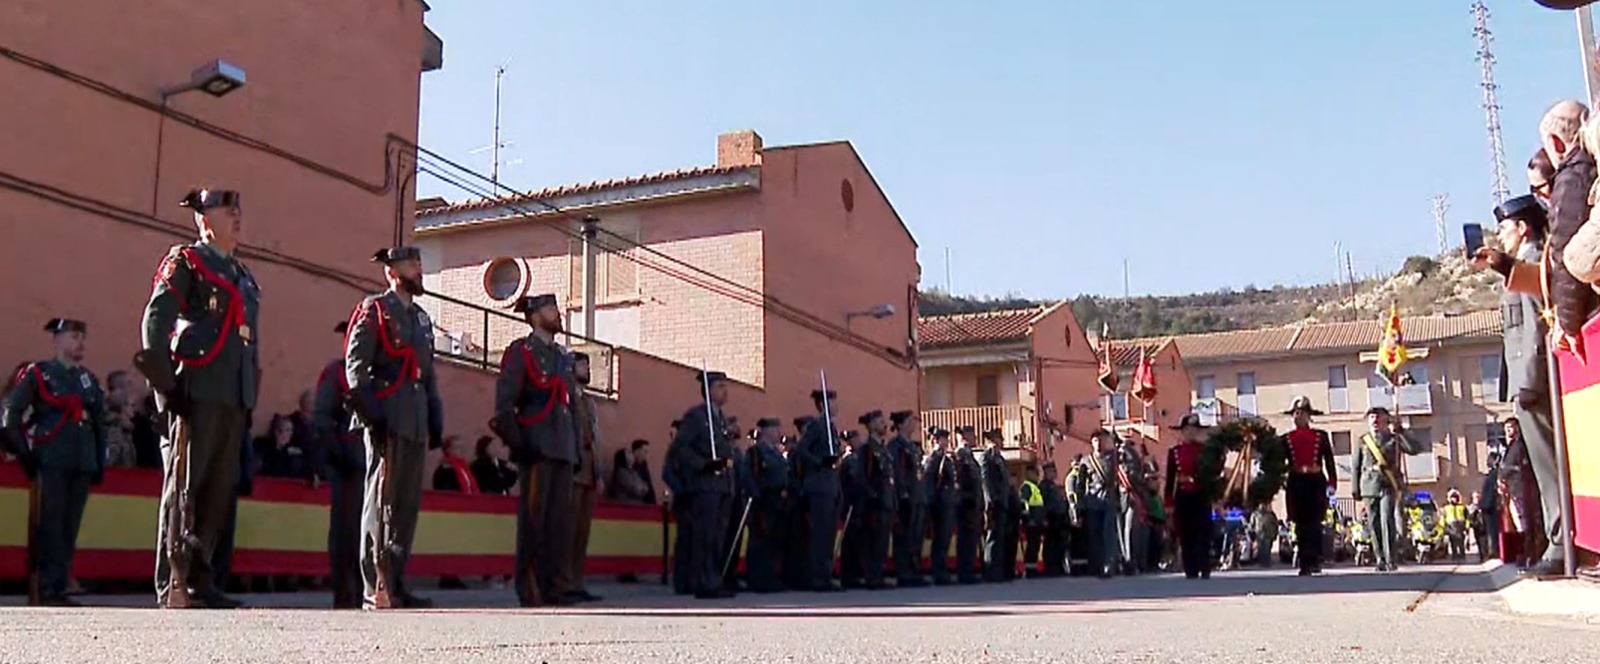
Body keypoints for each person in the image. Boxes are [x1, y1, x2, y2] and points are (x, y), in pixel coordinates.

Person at [139, 188, 258, 610]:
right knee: (185, 485)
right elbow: (157, 319)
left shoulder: (244, 276)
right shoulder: (187, 262)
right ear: (203, 220)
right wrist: (164, 388)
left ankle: (201, 575)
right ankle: (173, 578)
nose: (237, 216)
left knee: (217, 490)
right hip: (195, 388)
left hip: (232, 394)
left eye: (238, 210)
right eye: (228, 211)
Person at [345, 245, 444, 610]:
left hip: (415, 418)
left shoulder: (420, 319)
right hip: (387, 414)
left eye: (419, 263)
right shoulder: (375, 309)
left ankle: (397, 579)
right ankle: (376, 582)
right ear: (391, 272)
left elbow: (429, 373)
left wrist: (435, 414)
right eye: (410, 264)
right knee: (380, 500)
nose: (418, 270)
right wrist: (371, 411)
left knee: (405, 505)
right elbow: (356, 366)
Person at [2, 319, 107, 606]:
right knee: (51, 525)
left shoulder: (87, 379)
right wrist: (25, 453)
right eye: (74, 336)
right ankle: (47, 587)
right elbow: (12, 414)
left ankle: (59, 585)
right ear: (57, 340)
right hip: (52, 457)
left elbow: (100, 423)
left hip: (81, 459)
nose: (80, 343)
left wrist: (99, 461)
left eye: (82, 337)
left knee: (69, 526)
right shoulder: (40, 375)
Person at [491, 293, 578, 607]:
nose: (557, 314)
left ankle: (554, 584)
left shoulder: (561, 356)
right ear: (533, 315)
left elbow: (571, 406)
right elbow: (504, 407)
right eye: (550, 309)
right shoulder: (521, 351)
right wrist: (521, 445)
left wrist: (576, 450)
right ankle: (530, 586)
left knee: (559, 523)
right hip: (537, 445)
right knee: (534, 521)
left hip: (563, 446)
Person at [669, 370, 736, 599]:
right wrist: (702, 464)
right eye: (719, 386)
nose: (724, 390)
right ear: (707, 391)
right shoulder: (696, 417)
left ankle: (714, 578)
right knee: (704, 536)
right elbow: (680, 448)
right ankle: (703, 581)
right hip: (705, 485)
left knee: (718, 536)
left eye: (725, 386)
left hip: (723, 485)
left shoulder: (721, 419)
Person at [312, 320, 362, 608]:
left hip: (370, 461)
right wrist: (338, 453)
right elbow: (322, 419)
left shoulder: (374, 374)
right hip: (347, 462)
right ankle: (345, 591)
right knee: (345, 530)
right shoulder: (336, 374)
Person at [557, 351, 604, 604]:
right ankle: (563, 582)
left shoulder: (588, 401)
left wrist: (599, 471)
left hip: (589, 469)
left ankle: (577, 580)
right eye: (581, 364)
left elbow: (596, 436)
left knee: (582, 532)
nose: (586, 368)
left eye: (587, 364)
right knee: (568, 529)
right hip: (573, 469)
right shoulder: (566, 397)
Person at [1351, 407, 1420, 572]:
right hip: (1368, 486)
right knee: (1374, 524)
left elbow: (1415, 449)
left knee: (1386, 520)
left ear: (1385, 421)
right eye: (1371, 418)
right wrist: (1355, 489)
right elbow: (1356, 466)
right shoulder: (1363, 441)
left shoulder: (1394, 439)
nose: (1374, 421)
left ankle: (1391, 560)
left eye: (1378, 418)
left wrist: (1401, 431)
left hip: (1388, 485)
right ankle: (1380, 558)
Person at [1280, 396, 1336, 576]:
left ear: (1308, 416)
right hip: (1297, 482)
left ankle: (1315, 560)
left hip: (1316, 481)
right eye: (1295, 413)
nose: (1298, 416)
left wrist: (1332, 482)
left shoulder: (1321, 436)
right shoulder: (1285, 439)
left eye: (1301, 413)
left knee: (1315, 523)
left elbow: (1329, 461)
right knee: (1300, 524)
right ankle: (1305, 562)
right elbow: (1277, 462)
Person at [795, 388, 843, 592]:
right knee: (820, 534)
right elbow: (801, 449)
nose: (836, 405)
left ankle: (825, 574)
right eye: (831, 402)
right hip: (818, 485)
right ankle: (817, 577)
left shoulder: (831, 427)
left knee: (829, 533)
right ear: (823, 405)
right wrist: (819, 462)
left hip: (830, 485)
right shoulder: (816, 425)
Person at [738, 418, 789, 593]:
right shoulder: (756, 452)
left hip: (777, 502)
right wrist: (756, 496)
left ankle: (770, 577)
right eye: (775, 429)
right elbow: (749, 476)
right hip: (763, 502)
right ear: (765, 431)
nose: (778, 433)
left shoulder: (776, 453)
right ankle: (758, 579)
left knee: (773, 542)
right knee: (760, 542)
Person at [1164, 414, 1213, 580]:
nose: (1190, 432)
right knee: (1186, 535)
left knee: (1203, 533)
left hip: (1201, 495)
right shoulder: (1174, 452)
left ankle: (1204, 567)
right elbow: (1170, 479)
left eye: (1194, 429)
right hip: (1183, 496)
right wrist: (1169, 503)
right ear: (1182, 431)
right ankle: (1190, 569)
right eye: (1187, 430)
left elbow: (1211, 474)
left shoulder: (1205, 450)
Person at [886, 411, 927, 587]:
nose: (914, 425)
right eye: (910, 421)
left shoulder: (911, 446)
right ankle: (904, 572)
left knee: (916, 536)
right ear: (901, 425)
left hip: (917, 496)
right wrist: (903, 493)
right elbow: (898, 472)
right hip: (906, 497)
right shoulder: (896, 446)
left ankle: (914, 570)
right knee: (904, 536)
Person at [1074, 429, 1121, 579]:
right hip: (1093, 501)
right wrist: (1079, 506)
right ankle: (1097, 565)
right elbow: (1080, 485)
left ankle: (1109, 565)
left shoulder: (1115, 458)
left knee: (1108, 534)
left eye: (1101, 439)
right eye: (1095, 440)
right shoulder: (1086, 461)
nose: (1098, 443)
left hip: (1110, 500)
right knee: (1094, 535)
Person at [856, 410, 895, 590]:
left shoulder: (884, 449)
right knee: (873, 541)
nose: (884, 425)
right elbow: (863, 477)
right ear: (871, 426)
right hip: (874, 504)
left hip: (886, 501)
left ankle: (878, 574)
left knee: (882, 542)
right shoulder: (867, 449)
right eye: (880, 422)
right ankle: (872, 576)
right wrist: (872, 495)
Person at [922, 427, 957, 585]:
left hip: (947, 503)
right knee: (940, 539)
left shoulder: (946, 458)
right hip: (939, 504)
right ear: (935, 440)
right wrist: (931, 503)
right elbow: (929, 482)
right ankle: (938, 571)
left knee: (945, 539)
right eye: (943, 439)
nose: (946, 442)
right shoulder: (933, 458)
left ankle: (942, 569)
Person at [979, 428, 1013, 582]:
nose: (999, 441)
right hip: (994, 503)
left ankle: (998, 570)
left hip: (1003, 502)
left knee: (1000, 537)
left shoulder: (1000, 458)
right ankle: (990, 570)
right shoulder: (987, 457)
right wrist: (991, 500)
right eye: (995, 438)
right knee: (992, 537)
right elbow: (986, 481)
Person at [951, 425, 984, 584]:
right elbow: (959, 481)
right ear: (965, 437)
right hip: (965, 503)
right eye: (972, 435)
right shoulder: (960, 454)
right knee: (965, 538)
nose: (975, 438)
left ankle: (969, 569)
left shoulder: (969, 455)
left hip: (973, 502)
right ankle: (964, 572)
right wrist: (965, 499)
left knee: (971, 538)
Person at [1039, 462, 1069, 577]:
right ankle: (1051, 568)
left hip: (1059, 519)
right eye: (1051, 471)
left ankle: (1058, 567)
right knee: (1051, 545)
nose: (1054, 473)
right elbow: (1043, 503)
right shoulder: (1044, 486)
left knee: (1059, 545)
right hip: (1051, 518)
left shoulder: (1054, 486)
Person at [1018, 466, 1046, 578]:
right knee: (1031, 546)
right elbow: (1024, 505)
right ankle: (1029, 570)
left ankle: (1033, 568)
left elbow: (1040, 506)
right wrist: (1028, 520)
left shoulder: (1036, 487)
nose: (1037, 476)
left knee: (1036, 546)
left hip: (1037, 522)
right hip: (1032, 522)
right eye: (1035, 473)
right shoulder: (1026, 487)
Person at [1442, 489, 1470, 562]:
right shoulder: (1446, 508)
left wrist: (1467, 527)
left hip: (1460, 526)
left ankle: (1462, 556)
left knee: (1461, 543)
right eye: (1452, 497)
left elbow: (1467, 517)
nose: (1453, 499)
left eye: (1455, 497)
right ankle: (1454, 556)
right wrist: (1444, 528)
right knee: (1453, 543)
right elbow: (1443, 518)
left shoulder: (1463, 507)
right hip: (1451, 526)